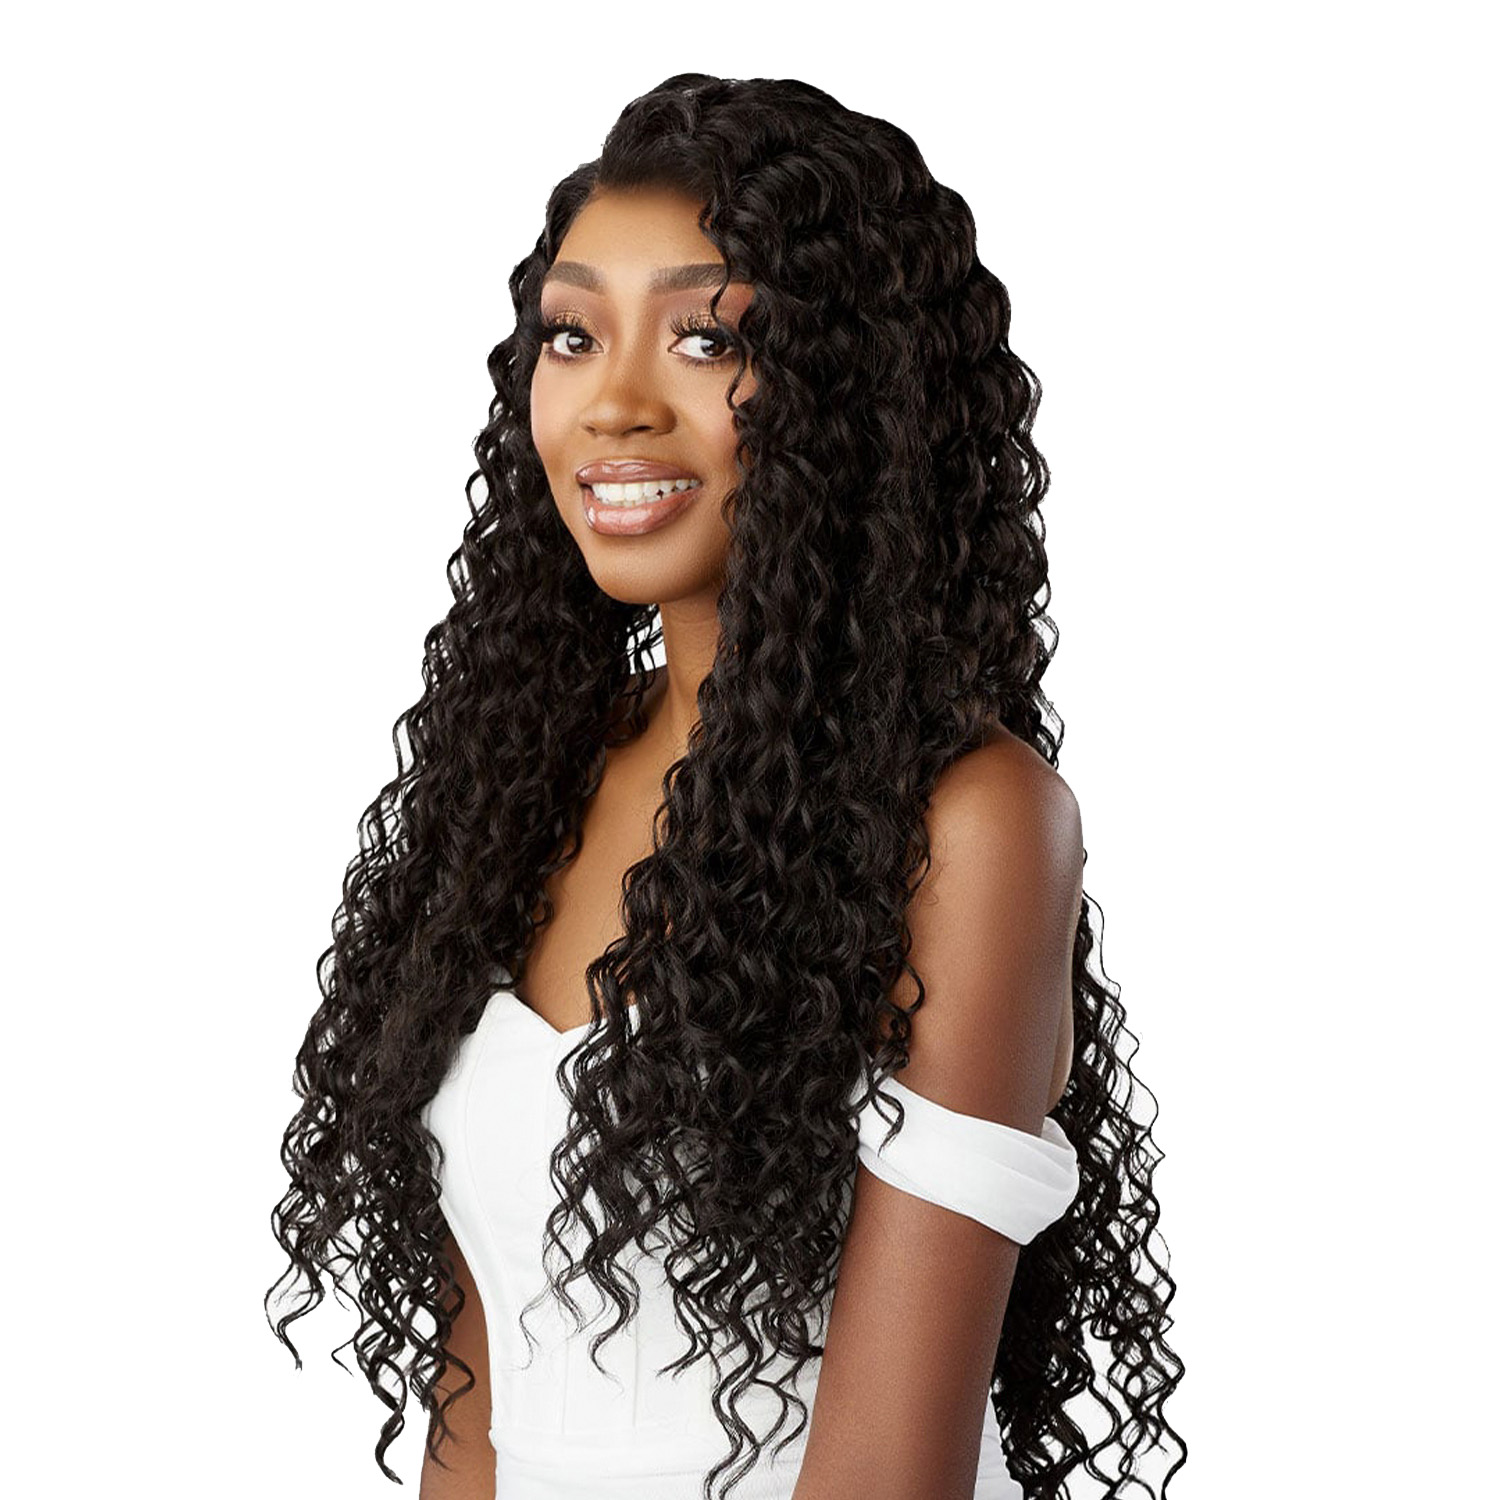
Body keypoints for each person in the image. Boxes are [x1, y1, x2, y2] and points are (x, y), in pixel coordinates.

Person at [265, 73, 1187, 1500]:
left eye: (708, 339)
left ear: (850, 397)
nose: (615, 404)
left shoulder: (972, 822)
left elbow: (888, 1473)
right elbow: (476, 1412)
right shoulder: (519, 790)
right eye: (572, 335)